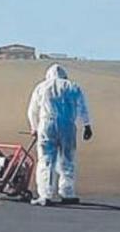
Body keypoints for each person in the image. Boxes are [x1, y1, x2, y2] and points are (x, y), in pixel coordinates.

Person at [27, 64, 92, 206]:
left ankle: (45, 195)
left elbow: (32, 110)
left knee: (46, 159)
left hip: (47, 124)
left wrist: (34, 127)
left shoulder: (41, 87)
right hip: (68, 125)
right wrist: (87, 125)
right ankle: (67, 193)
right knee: (67, 159)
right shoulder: (72, 86)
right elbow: (83, 107)